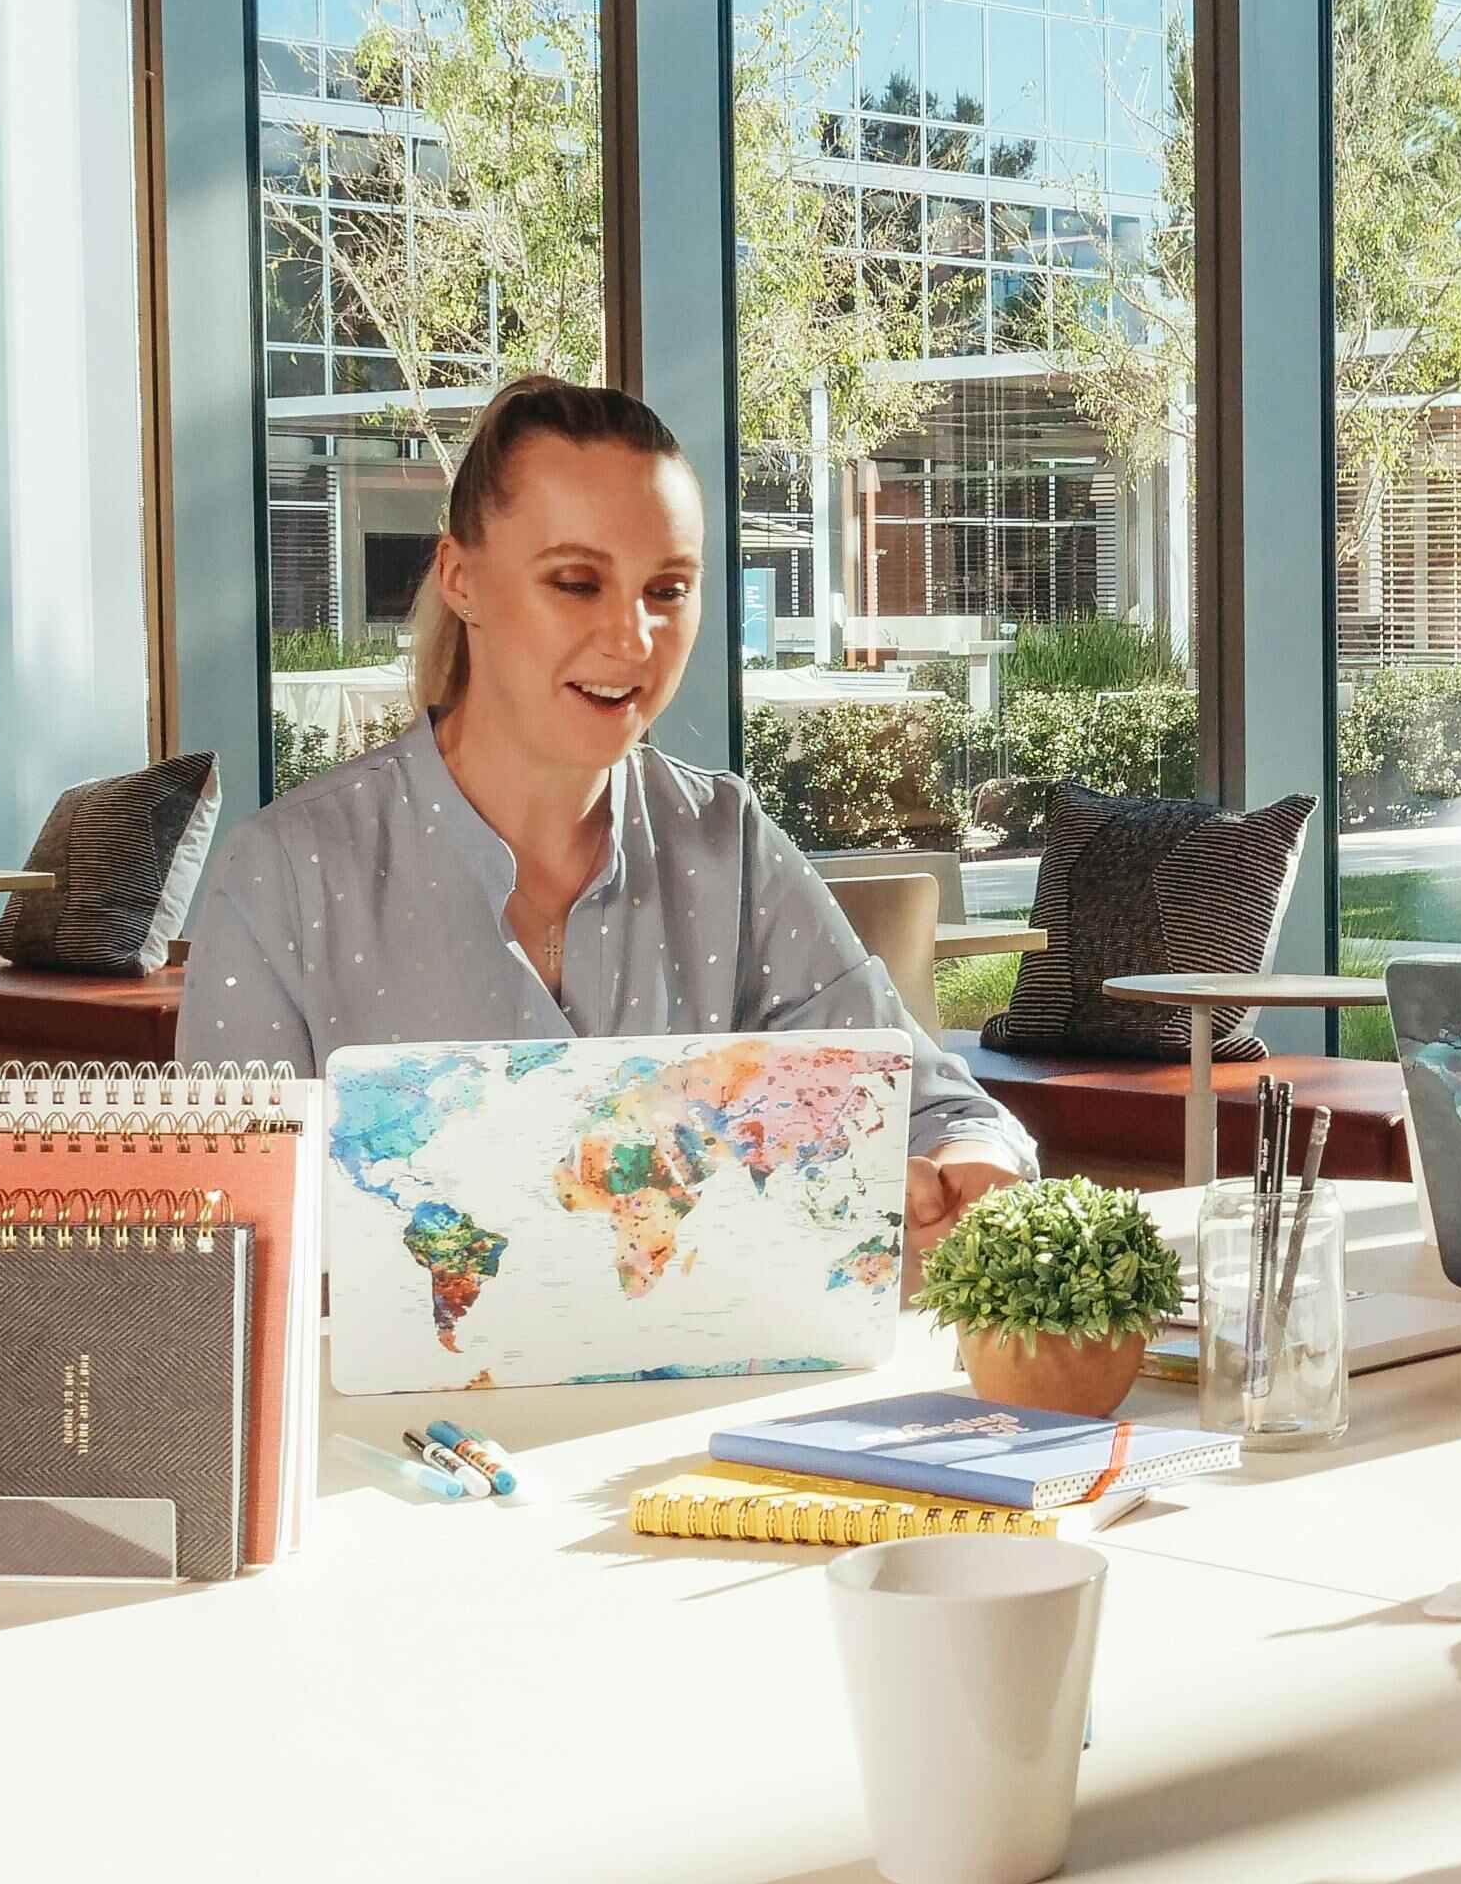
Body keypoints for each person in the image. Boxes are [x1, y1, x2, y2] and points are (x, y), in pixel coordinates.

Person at [184, 375, 1033, 1256]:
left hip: (712, 1396)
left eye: (667, 590)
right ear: (461, 578)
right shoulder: (286, 873)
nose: (633, 641)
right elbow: (226, 1258)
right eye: (578, 582)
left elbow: (933, 1107)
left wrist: (968, 1159)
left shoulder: (726, 845)